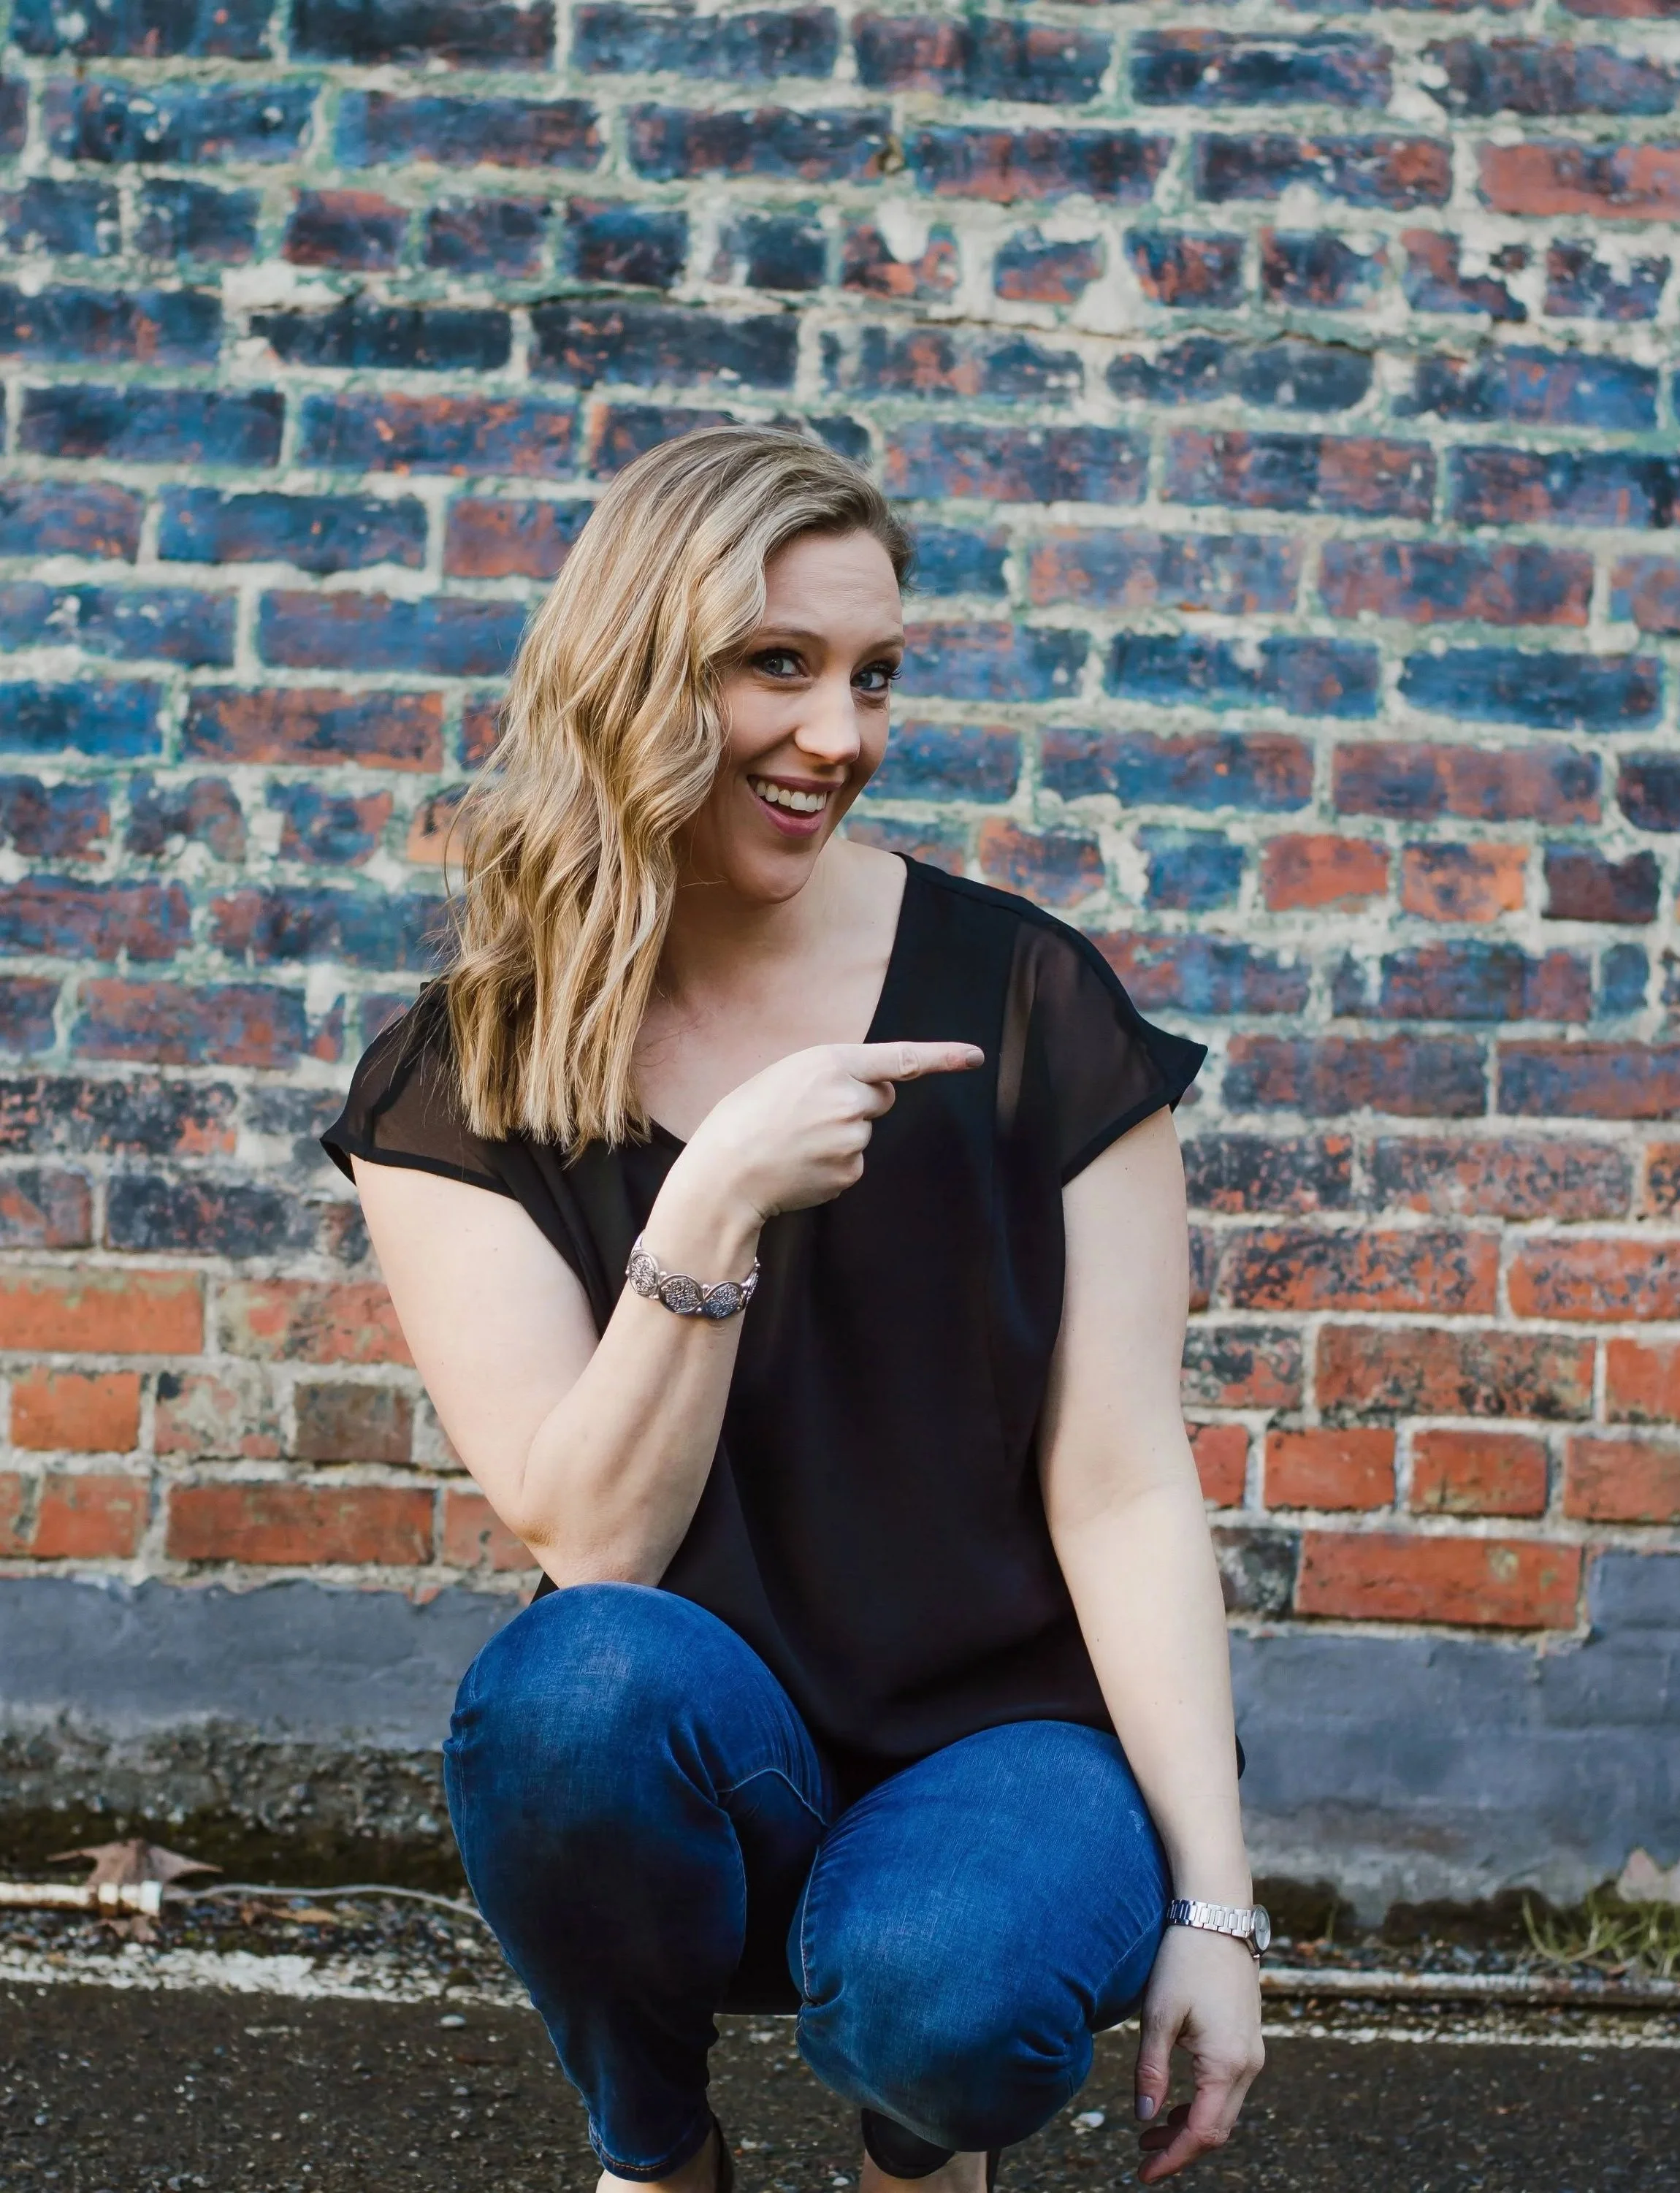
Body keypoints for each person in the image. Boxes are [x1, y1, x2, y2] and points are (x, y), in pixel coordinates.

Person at [323, 427, 1266, 2193]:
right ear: (637, 676)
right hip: (696, 1761)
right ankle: (658, 2153)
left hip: (1009, 1754)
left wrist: (1217, 1907)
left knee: (946, 1994)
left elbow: (1127, 1478)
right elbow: (593, 1534)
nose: (842, 737)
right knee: (564, 1690)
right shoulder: (469, 1072)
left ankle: (920, 2151)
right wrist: (712, 1196)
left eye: (873, 675)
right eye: (779, 665)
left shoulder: (1027, 1004)